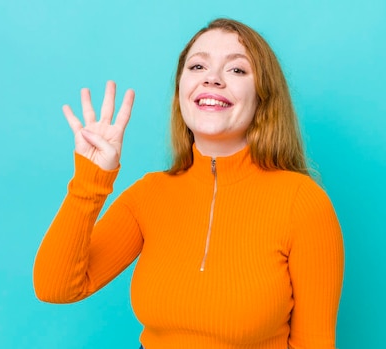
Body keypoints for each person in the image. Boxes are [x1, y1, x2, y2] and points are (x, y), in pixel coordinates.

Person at [33, 18, 344, 349]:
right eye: (198, 66)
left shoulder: (303, 203)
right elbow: (56, 287)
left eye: (237, 70)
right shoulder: (148, 195)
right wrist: (90, 177)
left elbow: (315, 342)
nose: (212, 78)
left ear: (263, 97)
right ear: (181, 90)